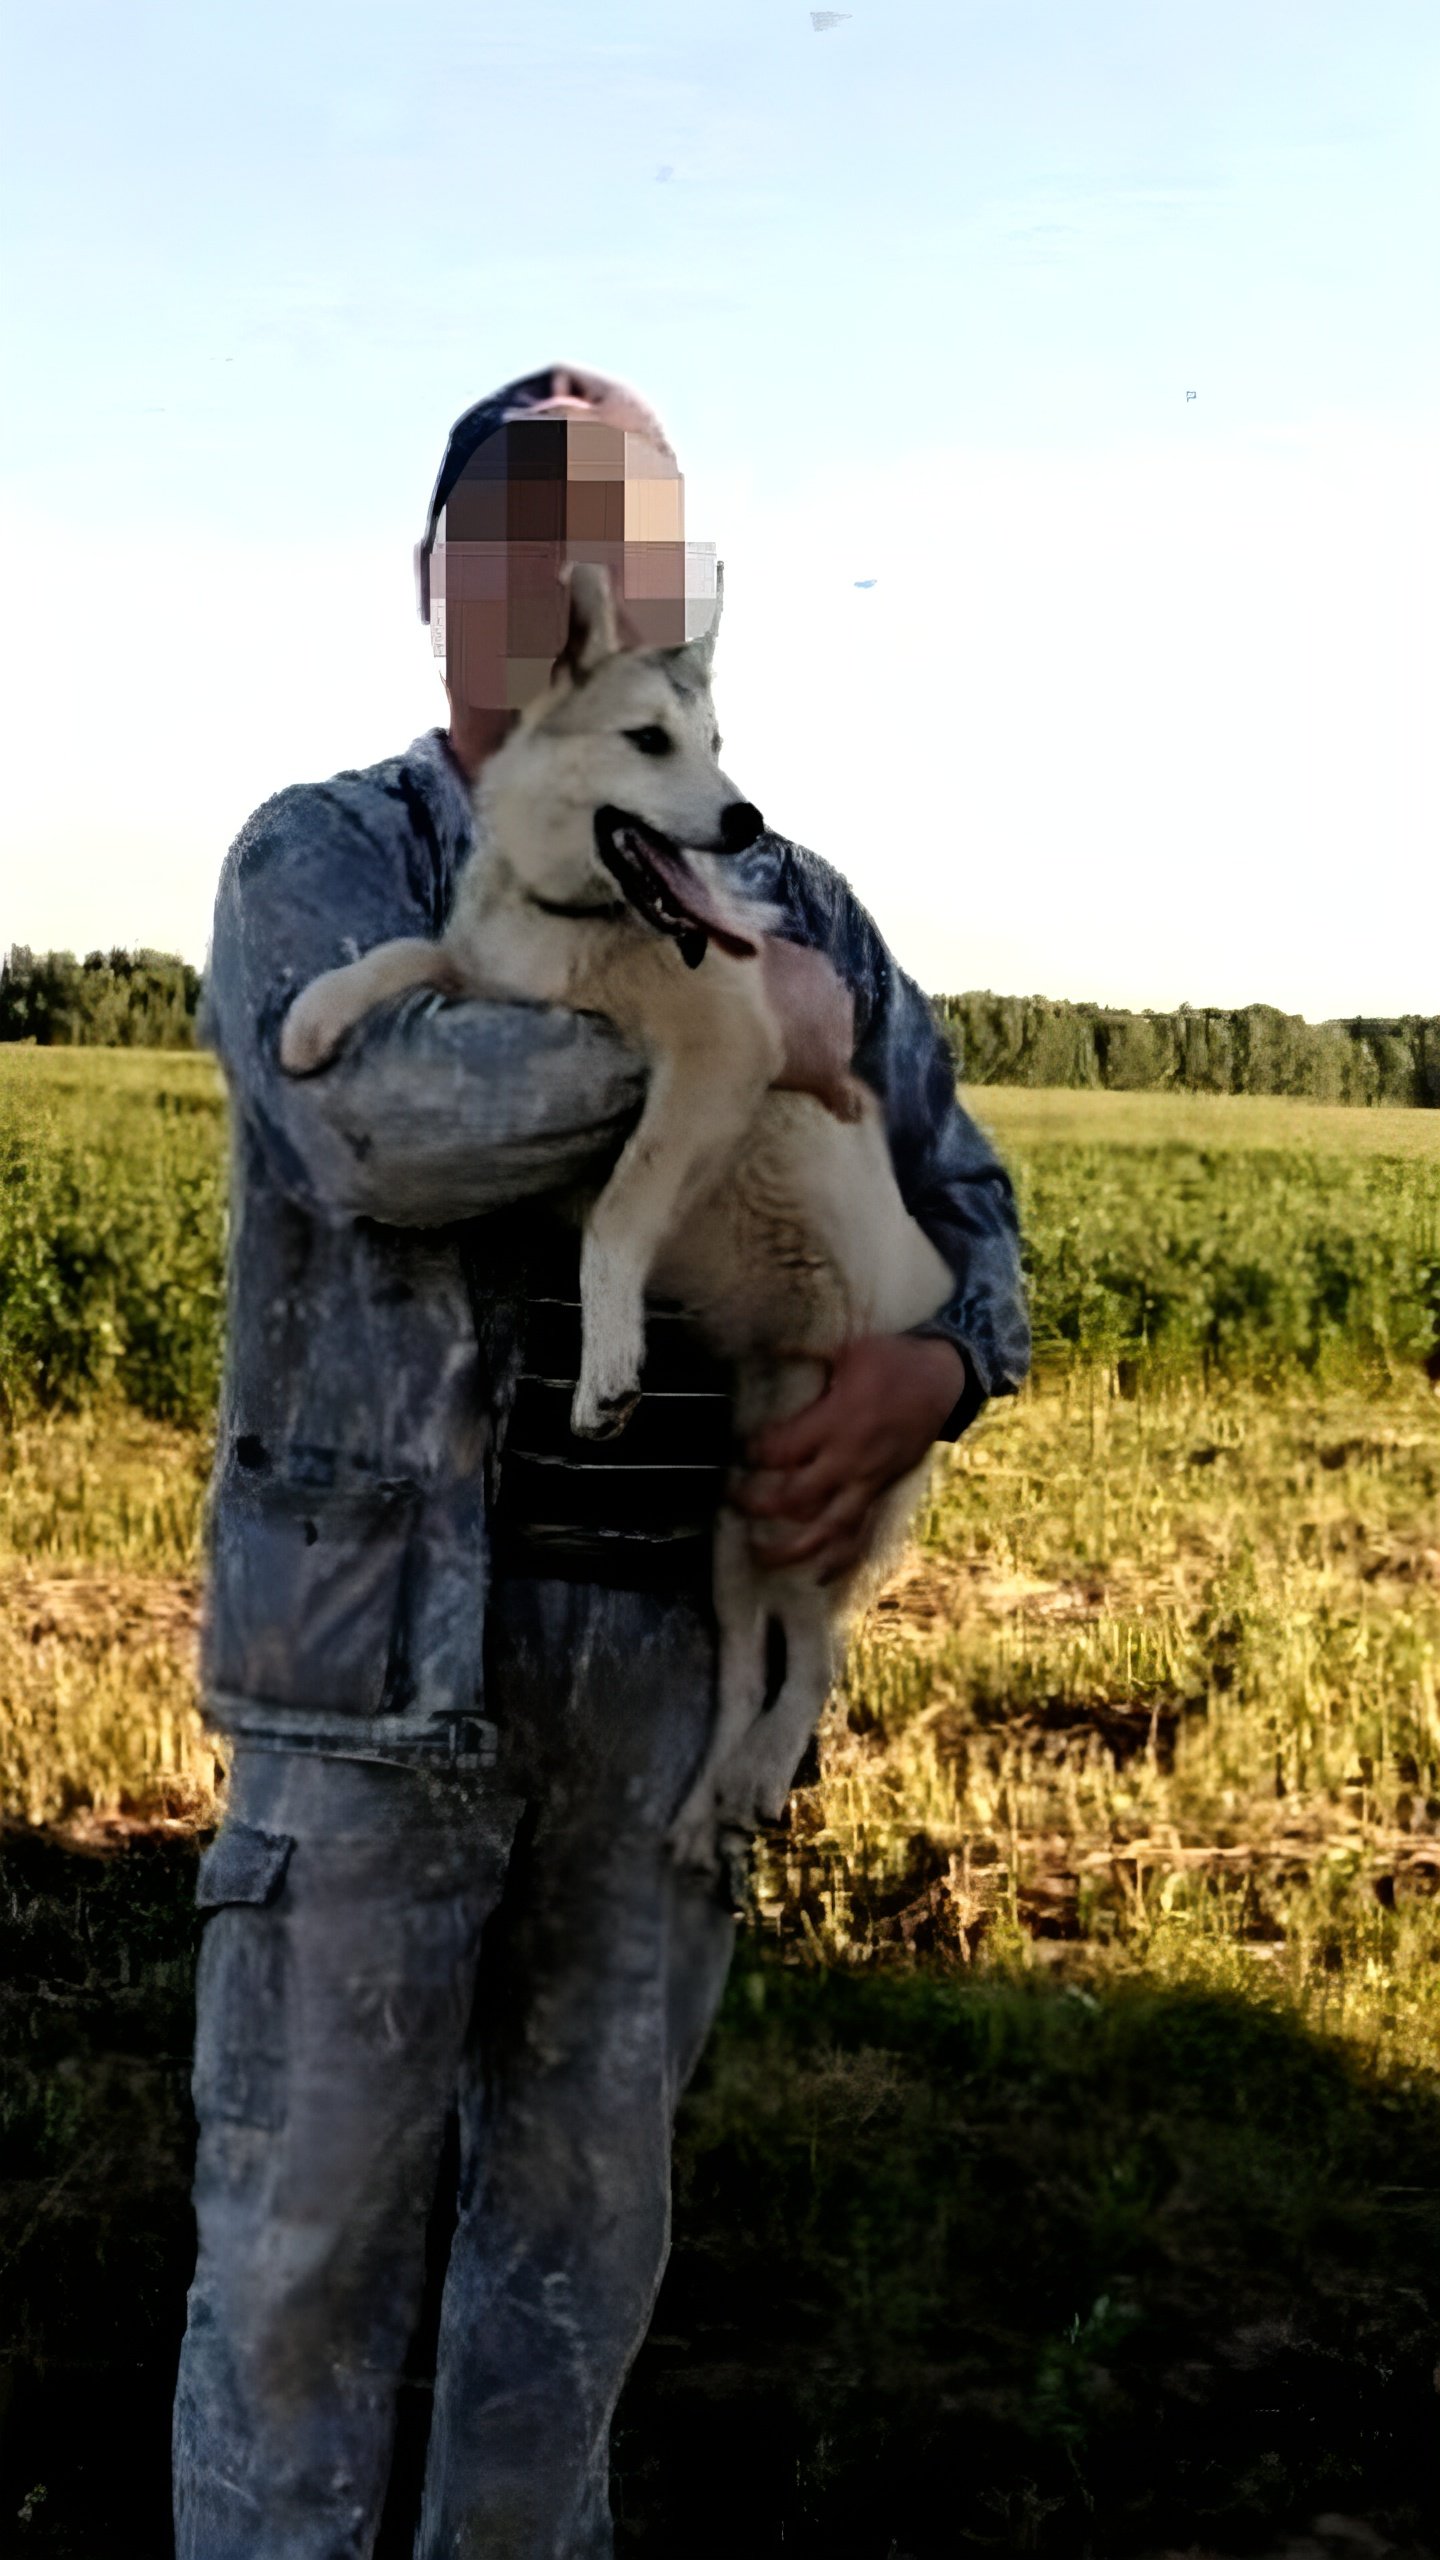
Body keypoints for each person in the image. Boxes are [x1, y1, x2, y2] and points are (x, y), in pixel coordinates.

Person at [172, 363, 1031, 2559]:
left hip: (650, 1709)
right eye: (529, 532)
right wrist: (742, 1031)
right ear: (440, 580)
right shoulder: (326, 857)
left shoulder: (785, 892)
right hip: (376, 1702)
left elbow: (973, 1214)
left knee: (568, 2290)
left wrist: (928, 1376)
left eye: (629, 545)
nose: (577, 574)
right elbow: (385, 1128)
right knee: (296, 2283)